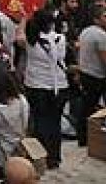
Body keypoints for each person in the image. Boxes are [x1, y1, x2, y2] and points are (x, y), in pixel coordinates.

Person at [19, 11, 67, 170]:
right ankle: (54, 158)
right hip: (59, 86)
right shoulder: (60, 39)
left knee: (39, 123)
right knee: (55, 122)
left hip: (36, 86)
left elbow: (18, 37)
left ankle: (40, 157)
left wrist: (24, 19)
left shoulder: (31, 41)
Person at [74, 3, 106, 149]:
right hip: (97, 76)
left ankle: (83, 137)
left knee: (86, 107)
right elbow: (105, 59)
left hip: (85, 73)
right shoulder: (101, 36)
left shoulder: (85, 31)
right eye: (105, 16)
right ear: (96, 19)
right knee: (93, 108)